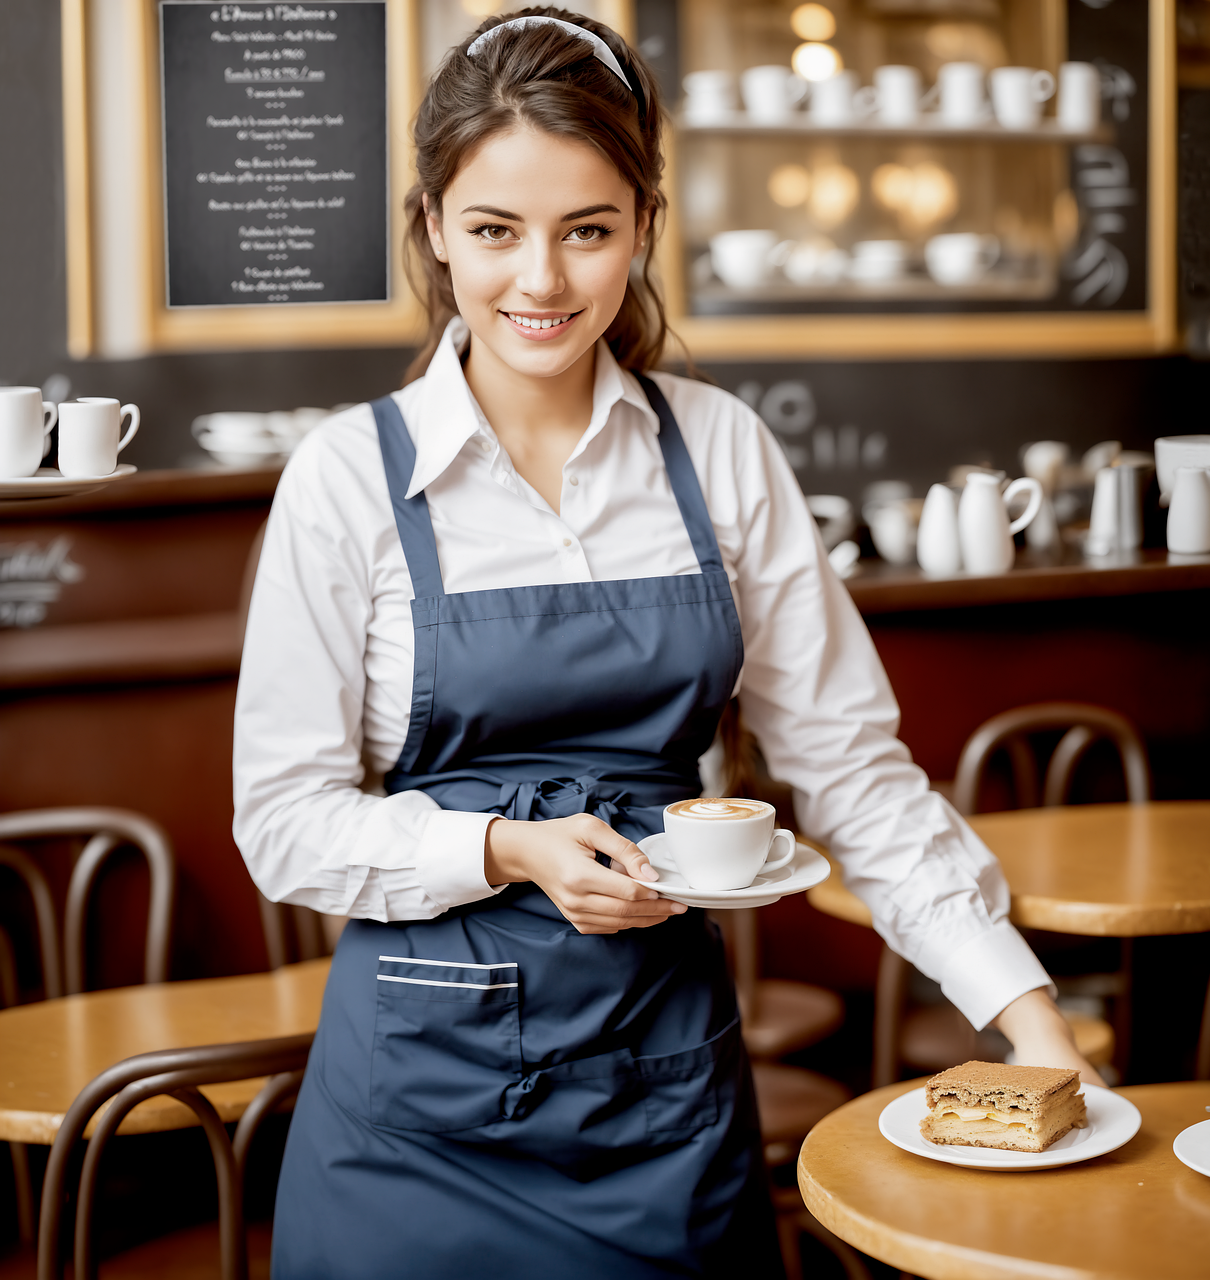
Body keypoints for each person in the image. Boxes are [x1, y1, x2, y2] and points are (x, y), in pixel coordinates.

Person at [233, 10, 1100, 1277]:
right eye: (494, 230)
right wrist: (503, 846)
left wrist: (1031, 1024)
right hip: (411, 1126)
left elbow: (854, 774)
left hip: (662, 1093)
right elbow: (282, 818)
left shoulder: (718, 449)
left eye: (585, 230)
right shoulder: (346, 478)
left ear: (643, 225)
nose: (540, 280)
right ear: (431, 226)